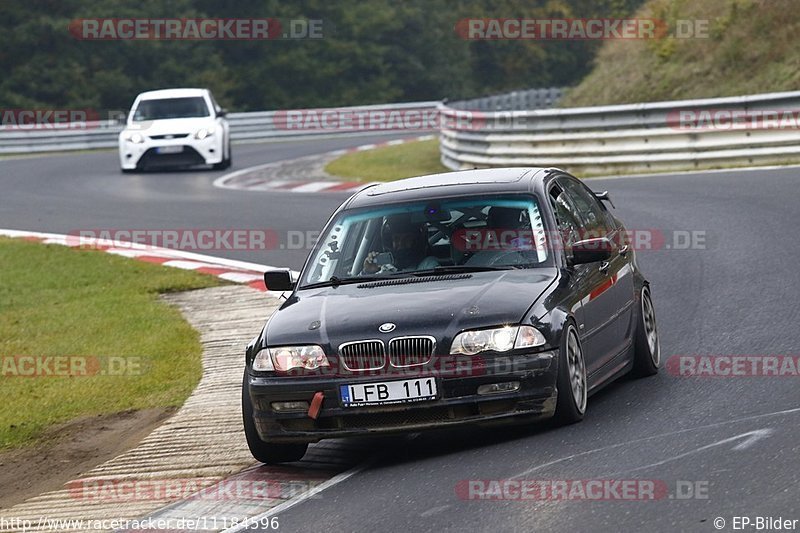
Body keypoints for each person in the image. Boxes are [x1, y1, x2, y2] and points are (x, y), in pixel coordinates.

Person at [362, 215, 439, 274]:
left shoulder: (428, 265)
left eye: (407, 238)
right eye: (396, 239)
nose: (401, 243)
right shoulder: (384, 268)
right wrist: (367, 272)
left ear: (417, 240)